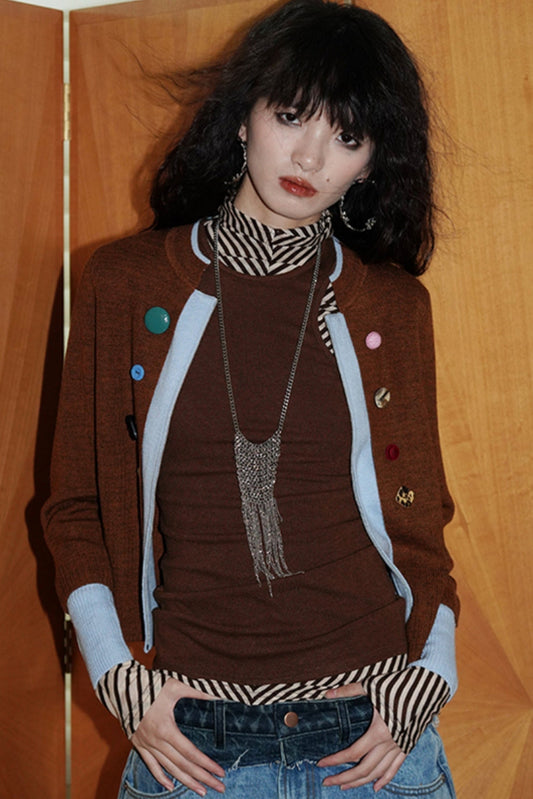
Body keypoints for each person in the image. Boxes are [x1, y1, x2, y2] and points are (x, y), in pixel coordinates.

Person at [42, 1, 459, 797]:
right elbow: (77, 503)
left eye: (347, 136)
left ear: (371, 163)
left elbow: (420, 515)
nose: (309, 155)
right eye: (291, 115)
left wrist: (429, 674)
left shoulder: (392, 307)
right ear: (242, 117)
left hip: (373, 739)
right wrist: (118, 676)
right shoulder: (125, 283)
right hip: (191, 744)